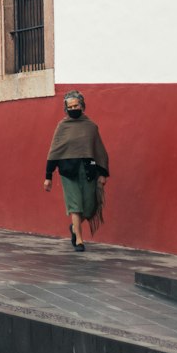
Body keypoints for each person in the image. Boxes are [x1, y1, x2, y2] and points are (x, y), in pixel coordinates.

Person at [43, 89, 109, 252]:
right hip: (68, 171)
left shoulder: (91, 127)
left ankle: (74, 228)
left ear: (82, 105)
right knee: (75, 206)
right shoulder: (62, 126)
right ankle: (79, 239)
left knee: (89, 207)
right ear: (66, 109)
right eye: (70, 107)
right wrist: (48, 176)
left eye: (76, 105)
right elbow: (55, 150)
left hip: (88, 170)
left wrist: (103, 173)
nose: (73, 109)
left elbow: (99, 150)